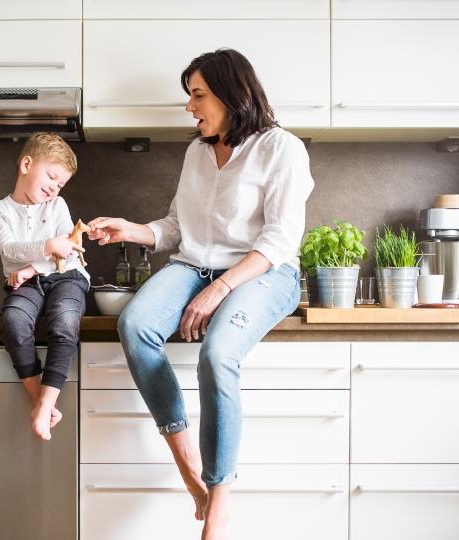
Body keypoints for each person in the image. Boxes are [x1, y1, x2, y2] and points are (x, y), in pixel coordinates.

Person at [88, 48, 314, 539]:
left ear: (234, 93)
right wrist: (130, 229)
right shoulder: (195, 152)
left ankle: (219, 497)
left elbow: (278, 241)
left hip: (263, 272)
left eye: (198, 95)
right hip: (194, 266)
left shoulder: (282, 149)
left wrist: (220, 291)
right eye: (189, 96)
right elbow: (175, 228)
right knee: (136, 324)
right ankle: (187, 460)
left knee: (218, 353)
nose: (190, 108)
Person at [0, 132, 89, 441]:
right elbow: (9, 249)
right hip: (28, 282)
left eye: (60, 184)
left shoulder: (57, 205)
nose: (54, 188)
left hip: (67, 276)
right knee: (14, 321)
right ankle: (39, 402)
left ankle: (46, 404)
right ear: (27, 164)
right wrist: (48, 245)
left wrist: (33, 265)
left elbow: (67, 252)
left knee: (65, 321)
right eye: (52, 177)